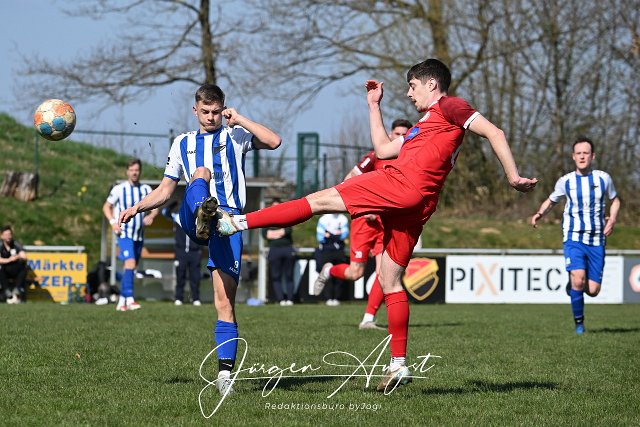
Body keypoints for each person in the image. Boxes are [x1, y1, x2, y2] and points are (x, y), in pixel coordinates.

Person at [214, 58, 537, 392]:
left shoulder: (450, 106)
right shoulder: (423, 125)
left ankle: (234, 223)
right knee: (389, 280)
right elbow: (383, 149)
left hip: (402, 185)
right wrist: (373, 106)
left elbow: (494, 131)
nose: (409, 94)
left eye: (412, 86)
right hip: (419, 204)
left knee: (318, 201)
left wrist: (512, 176)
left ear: (431, 84)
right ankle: (398, 364)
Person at [118, 83, 281, 395]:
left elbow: (274, 141)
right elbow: (166, 190)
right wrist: (138, 207)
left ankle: (224, 376)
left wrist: (240, 119)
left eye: (216, 112)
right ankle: (204, 211)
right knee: (201, 172)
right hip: (194, 217)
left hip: (229, 224)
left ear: (223, 110)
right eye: (205, 111)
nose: (210, 117)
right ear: (195, 110)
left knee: (224, 301)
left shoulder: (235, 136)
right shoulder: (183, 143)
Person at [314, 119, 413, 328]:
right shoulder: (376, 156)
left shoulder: (409, 159)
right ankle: (329, 270)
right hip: (364, 224)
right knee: (355, 273)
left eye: (404, 134)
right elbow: (349, 178)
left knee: (384, 272)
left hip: (386, 224)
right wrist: (363, 207)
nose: (399, 137)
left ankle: (368, 318)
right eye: (396, 133)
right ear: (390, 134)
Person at [531, 136, 620, 335]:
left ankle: (573, 286)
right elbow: (552, 200)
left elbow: (615, 200)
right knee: (579, 279)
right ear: (573, 156)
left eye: (585, 153)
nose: (582, 156)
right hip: (573, 237)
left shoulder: (603, 179)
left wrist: (612, 219)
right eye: (578, 153)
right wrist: (539, 214)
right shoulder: (566, 181)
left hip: (597, 240)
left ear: (592, 156)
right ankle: (579, 325)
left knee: (593, 290)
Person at [103, 158, 158, 311]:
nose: (134, 173)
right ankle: (130, 299)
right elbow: (106, 207)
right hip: (124, 234)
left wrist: (152, 216)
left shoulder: (145, 189)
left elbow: (155, 207)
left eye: (137, 170)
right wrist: (113, 222)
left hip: (139, 235)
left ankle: (122, 300)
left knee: (131, 267)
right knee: (131, 263)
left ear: (140, 171)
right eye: (132, 170)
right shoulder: (119, 189)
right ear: (127, 171)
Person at [165, 206, 203, 306]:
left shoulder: (199, 219)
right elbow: (165, 212)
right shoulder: (178, 218)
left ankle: (196, 298)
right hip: (181, 251)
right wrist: (173, 203)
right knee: (180, 275)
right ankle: (179, 298)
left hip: (195, 252)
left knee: (195, 277)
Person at [261, 198, 296, 306]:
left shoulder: (287, 217)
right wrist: (280, 233)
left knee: (289, 275)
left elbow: (287, 231)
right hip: (274, 250)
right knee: (276, 276)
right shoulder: (267, 219)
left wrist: (274, 234)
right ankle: (281, 299)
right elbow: (266, 235)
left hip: (287, 249)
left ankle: (290, 299)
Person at [315, 213, 349, 306]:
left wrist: (329, 235)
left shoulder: (343, 218)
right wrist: (336, 235)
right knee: (327, 273)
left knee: (339, 274)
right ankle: (329, 298)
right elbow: (320, 237)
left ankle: (337, 297)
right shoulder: (323, 219)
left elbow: (344, 235)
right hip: (326, 251)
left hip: (339, 252)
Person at [0, 225, 28, 304]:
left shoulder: (16, 244)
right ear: (2, 236)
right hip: (4, 270)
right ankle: (7, 291)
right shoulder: (0, 245)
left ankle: (16, 289)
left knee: (24, 267)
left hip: (16, 269)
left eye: (10, 234)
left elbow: (24, 256)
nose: (8, 237)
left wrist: (18, 256)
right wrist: (9, 259)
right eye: (6, 235)